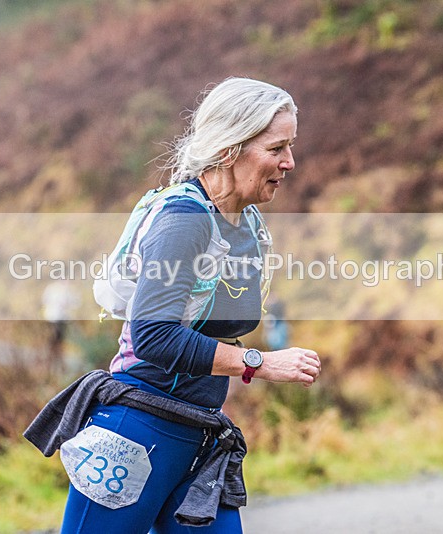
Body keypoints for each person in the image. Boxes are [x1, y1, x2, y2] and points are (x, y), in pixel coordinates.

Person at [24, 77, 321, 533]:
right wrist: (259, 363)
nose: (290, 162)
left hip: (199, 438)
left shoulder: (245, 223)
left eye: (291, 146)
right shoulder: (183, 220)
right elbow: (153, 335)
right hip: (137, 431)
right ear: (229, 148)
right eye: (277, 148)